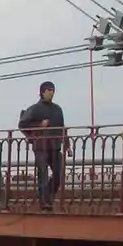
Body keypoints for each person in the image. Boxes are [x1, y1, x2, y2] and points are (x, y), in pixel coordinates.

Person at [18, 80, 70, 209]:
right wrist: (39, 126)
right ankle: (44, 201)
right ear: (42, 92)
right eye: (49, 90)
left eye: (53, 90)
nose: (51, 93)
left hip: (55, 146)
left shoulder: (57, 109)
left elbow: (62, 128)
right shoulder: (34, 109)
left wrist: (67, 145)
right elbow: (22, 124)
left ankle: (49, 196)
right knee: (43, 173)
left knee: (59, 173)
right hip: (40, 146)